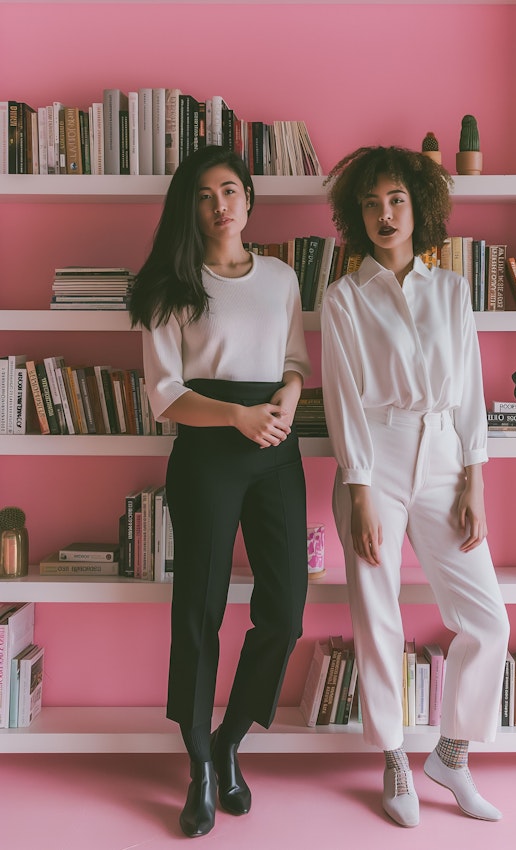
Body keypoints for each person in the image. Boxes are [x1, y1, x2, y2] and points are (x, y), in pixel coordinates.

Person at [321, 146, 510, 828]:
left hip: (445, 459)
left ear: (418, 206)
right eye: (370, 203)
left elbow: (470, 399)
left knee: (488, 619)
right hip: (376, 456)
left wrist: (474, 483)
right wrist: (361, 491)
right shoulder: (344, 298)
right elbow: (343, 400)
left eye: (396, 199)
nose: (384, 214)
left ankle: (451, 755)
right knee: (378, 615)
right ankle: (395, 756)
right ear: (356, 214)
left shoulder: (452, 290)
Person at [128, 145, 310, 838]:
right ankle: (200, 765)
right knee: (199, 613)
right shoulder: (169, 285)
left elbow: (295, 360)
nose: (220, 205)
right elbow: (165, 395)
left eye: (229, 190)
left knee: (286, 610)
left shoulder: (282, 277)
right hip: (207, 451)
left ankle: (232, 737)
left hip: (276, 448)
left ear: (249, 197)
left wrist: (288, 399)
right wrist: (235, 413)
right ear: (190, 208)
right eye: (204, 195)